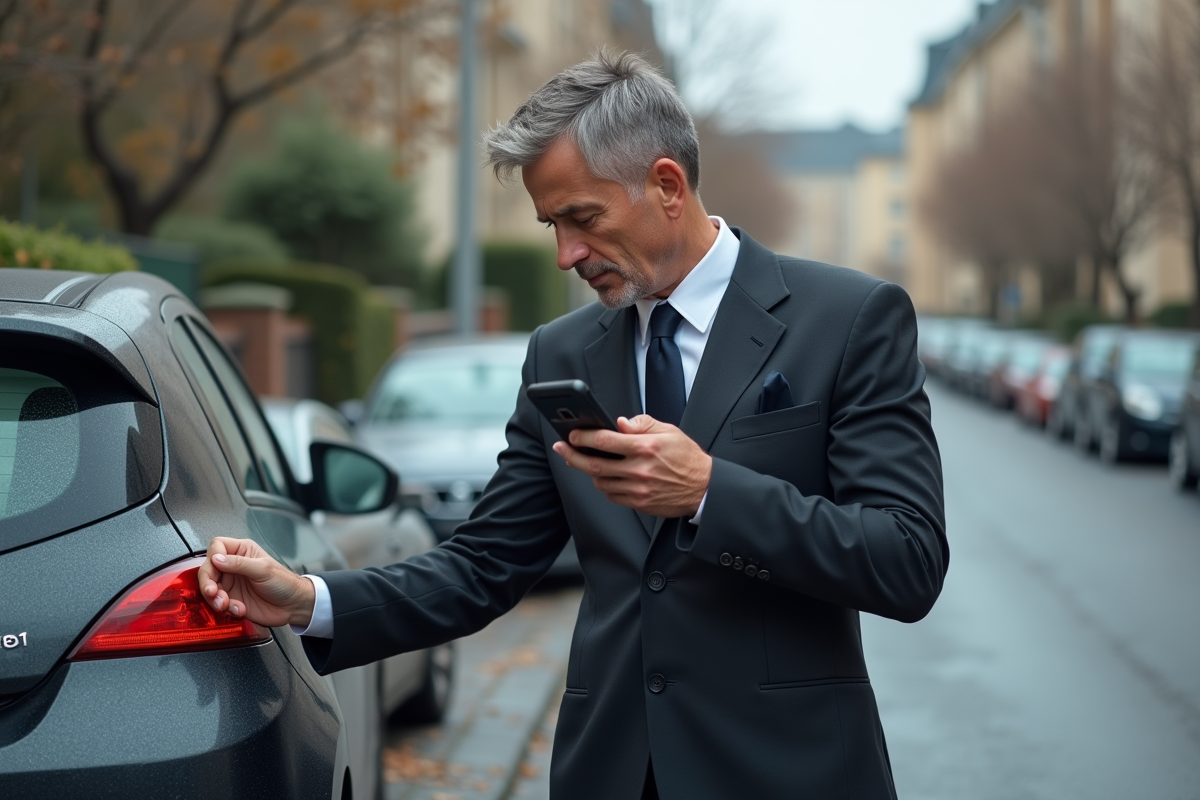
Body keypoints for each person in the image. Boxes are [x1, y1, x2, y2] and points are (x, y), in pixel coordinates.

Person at [199, 51, 947, 800]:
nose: (566, 254)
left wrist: (710, 492)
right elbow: (482, 565)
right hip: (609, 774)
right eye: (552, 224)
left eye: (582, 218)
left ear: (667, 186)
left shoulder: (849, 319)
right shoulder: (560, 353)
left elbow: (907, 559)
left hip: (791, 773)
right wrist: (309, 599)